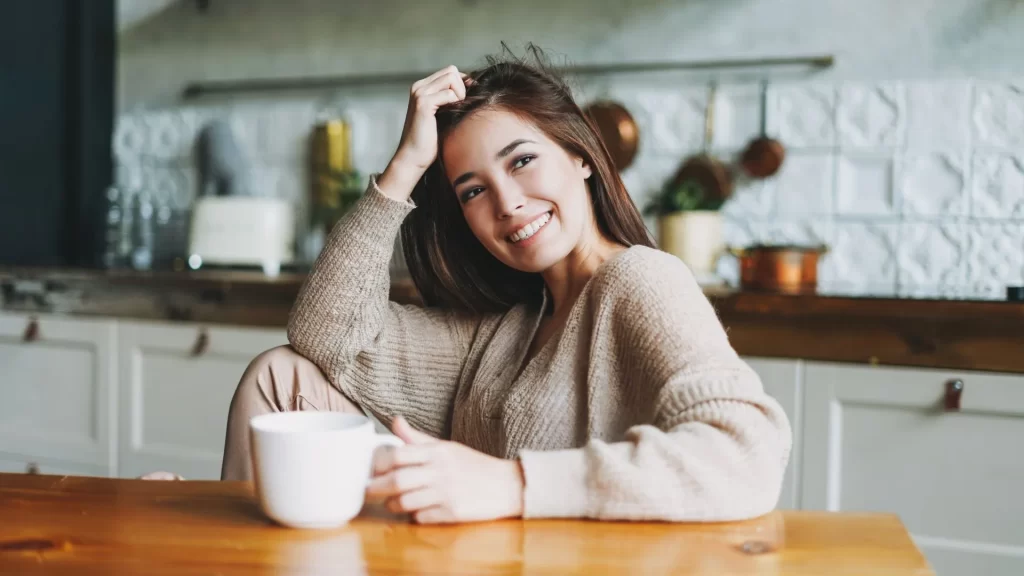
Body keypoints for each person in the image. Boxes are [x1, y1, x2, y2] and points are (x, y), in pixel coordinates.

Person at [220, 48, 792, 524]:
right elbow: (324, 335)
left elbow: (746, 454)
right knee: (280, 373)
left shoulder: (639, 278)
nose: (507, 203)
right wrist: (405, 167)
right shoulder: (510, 324)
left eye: (521, 161)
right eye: (472, 190)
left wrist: (512, 484)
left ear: (581, 156)